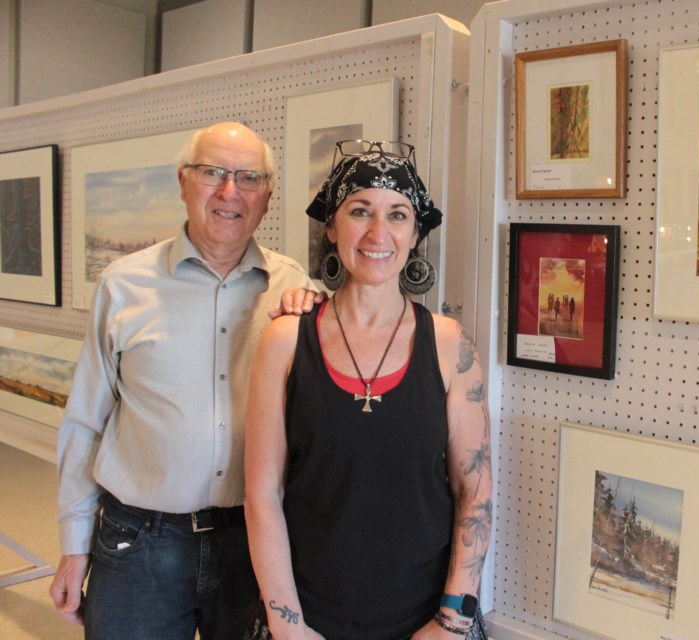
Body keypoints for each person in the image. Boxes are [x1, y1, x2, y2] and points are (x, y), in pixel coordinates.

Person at [49, 122, 315, 640]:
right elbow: (85, 424)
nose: (229, 192)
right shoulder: (124, 285)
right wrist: (73, 546)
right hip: (139, 543)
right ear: (183, 182)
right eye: (212, 172)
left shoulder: (296, 290)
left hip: (254, 542)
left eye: (248, 178)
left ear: (268, 195)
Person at [244, 140, 492, 640]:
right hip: (309, 620)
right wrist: (286, 623)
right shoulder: (286, 338)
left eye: (398, 215)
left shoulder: (448, 344)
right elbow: (262, 495)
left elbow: (475, 492)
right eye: (361, 211)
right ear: (332, 228)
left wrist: (452, 618)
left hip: (427, 622)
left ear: (416, 233)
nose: (379, 233)